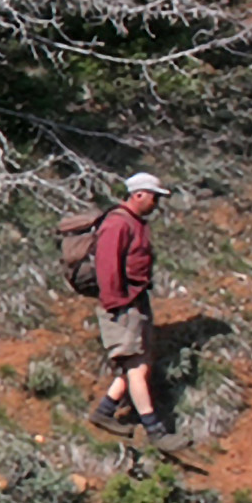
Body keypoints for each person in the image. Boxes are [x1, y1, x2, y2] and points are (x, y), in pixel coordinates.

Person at [88, 171, 186, 452]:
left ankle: (105, 411)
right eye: (154, 198)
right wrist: (117, 304)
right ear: (139, 194)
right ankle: (156, 431)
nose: (157, 204)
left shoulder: (134, 223)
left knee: (136, 364)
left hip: (135, 303)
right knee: (137, 368)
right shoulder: (117, 223)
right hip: (122, 306)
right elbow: (107, 268)